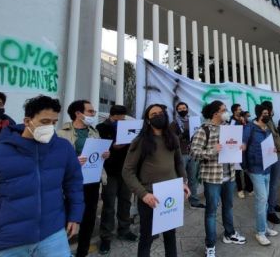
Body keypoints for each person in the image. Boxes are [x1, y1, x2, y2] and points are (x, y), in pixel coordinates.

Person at [0, 95, 84, 256]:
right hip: (8, 243)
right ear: (27, 121)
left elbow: (74, 184)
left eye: (54, 122)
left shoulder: (63, 148)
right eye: (44, 122)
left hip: (53, 235)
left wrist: (75, 216)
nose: (50, 127)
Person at [122, 104, 190, 257]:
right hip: (150, 197)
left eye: (160, 113)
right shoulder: (140, 141)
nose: (158, 116)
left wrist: (183, 182)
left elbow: (179, 162)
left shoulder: (172, 137)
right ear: (147, 120)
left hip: (171, 195)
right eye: (153, 114)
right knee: (146, 238)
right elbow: (127, 171)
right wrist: (143, 194)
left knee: (170, 236)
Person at [190, 101, 246, 257]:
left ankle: (229, 233)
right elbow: (194, 152)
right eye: (224, 110)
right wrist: (213, 150)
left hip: (229, 176)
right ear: (216, 113)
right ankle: (210, 245)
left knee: (228, 207)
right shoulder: (204, 130)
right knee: (211, 212)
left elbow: (232, 147)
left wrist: (240, 146)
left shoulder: (229, 129)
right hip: (213, 178)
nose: (227, 112)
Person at [57, 100, 110, 257]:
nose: (93, 114)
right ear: (78, 113)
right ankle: (62, 251)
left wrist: (105, 155)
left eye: (93, 112)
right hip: (71, 183)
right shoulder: (62, 133)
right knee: (68, 218)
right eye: (90, 111)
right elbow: (56, 160)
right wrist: (73, 160)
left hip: (92, 182)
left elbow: (97, 155)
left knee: (89, 219)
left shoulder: (94, 132)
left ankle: (82, 252)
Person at [96, 105, 138, 255]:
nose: (122, 120)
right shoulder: (101, 127)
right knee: (108, 205)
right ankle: (106, 237)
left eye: (123, 117)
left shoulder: (128, 127)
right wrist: (114, 146)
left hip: (126, 171)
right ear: (112, 115)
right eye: (120, 117)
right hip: (110, 171)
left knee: (125, 202)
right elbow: (99, 148)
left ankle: (124, 230)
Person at [243, 104, 279, 246]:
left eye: (268, 113)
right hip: (255, 168)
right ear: (258, 114)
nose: (267, 115)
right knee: (262, 199)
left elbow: (269, 145)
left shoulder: (268, 128)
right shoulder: (250, 128)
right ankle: (260, 232)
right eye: (264, 113)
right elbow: (243, 143)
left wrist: (273, 149)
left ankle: (264, 227)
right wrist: (242, 147)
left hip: (267, 167)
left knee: (264, 200)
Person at [169, 102, 206, 209]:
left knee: (193, 178)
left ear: (187, 109)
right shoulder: (174, 124)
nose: (182, 110)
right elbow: (171, 140)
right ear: (177, 110)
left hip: (193, 153)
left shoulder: (193, 121)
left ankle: (194, 201)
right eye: (180, 109)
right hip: (181, 154)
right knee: (180, 179)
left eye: (184, 108)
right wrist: (182, 135)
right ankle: (176, 203)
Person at [260, 100, 280, 225]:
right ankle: (270, 211)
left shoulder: (270, 120)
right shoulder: (266, 122)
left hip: (276, 153)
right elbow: (274, 138)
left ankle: (273, 204)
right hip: (273, 154)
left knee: (273, 183)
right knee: (273, 184)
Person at [229, 104, 253, 199]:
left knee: (246, 168)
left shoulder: (244, 120)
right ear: (234, 111)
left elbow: (248, 130)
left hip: (244, 147)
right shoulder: (232, 121)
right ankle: (240, 189)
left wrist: (244, 122)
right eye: (239, 109)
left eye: (241, 109)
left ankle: (249, 187)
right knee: (238, 171)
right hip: (235, 148)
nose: (241, 110)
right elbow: (231, 132)